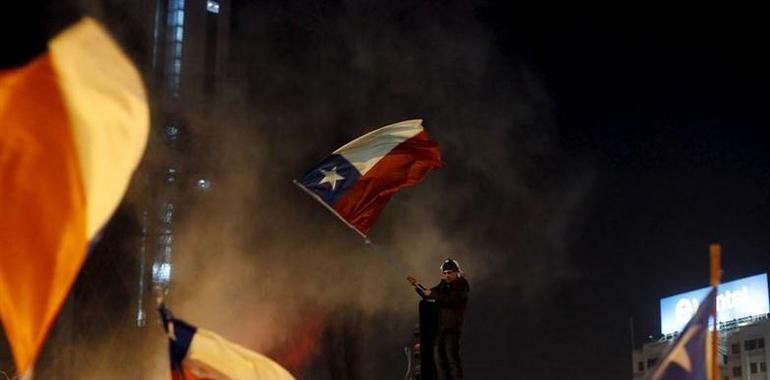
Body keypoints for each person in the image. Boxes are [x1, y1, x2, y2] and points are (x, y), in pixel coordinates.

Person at [407, 258, 469, 380]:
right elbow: (429, 293)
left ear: (457, 272)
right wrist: (416, 285)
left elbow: (450, 299)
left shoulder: (461, 286)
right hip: (441, 328)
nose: (447, 275)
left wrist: (432, 294)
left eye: (449, 272)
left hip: (452, 329)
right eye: (445, 273)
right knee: (438, 359)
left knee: (451, 359)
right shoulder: (444, 285)